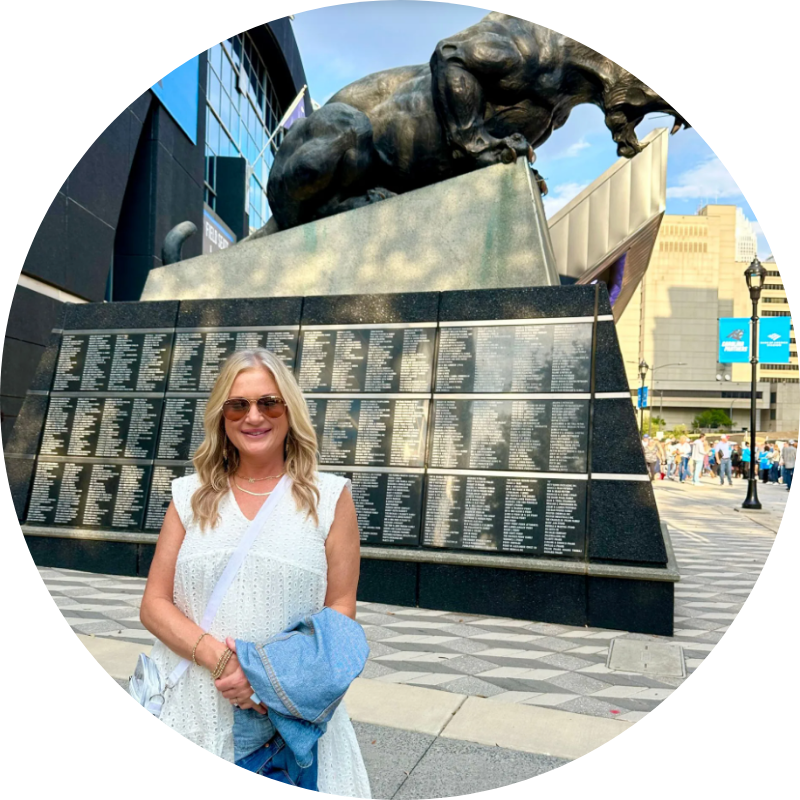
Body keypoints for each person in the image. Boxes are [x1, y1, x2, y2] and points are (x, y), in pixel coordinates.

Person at [139, 349, 372, 795]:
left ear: (289, 411)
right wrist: (226, 661)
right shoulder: (190, 496)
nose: (254, 416)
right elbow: (153, 604)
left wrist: (267, 680)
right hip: (194, 709)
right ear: (222, 417)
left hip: (287, 714)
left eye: (269, 402)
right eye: (238, 405)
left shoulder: (329, 497)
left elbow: (340, 611)